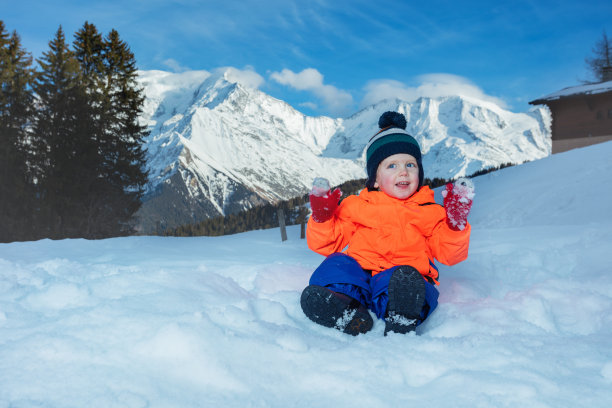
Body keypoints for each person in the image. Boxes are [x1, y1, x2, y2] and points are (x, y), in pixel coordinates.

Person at [300, 111, 474, 336]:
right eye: (392, 166)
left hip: (404, 279)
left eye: (411, 165)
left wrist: (454, 225)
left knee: (406, 282)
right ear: (375, 178)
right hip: (361, 274)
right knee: (337, 263)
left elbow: (450, 255)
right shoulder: (357, 205)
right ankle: (345, 307)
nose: (404, 171)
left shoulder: (430, 211)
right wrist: (322, 220)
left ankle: (401, 312)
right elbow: (327, 244)